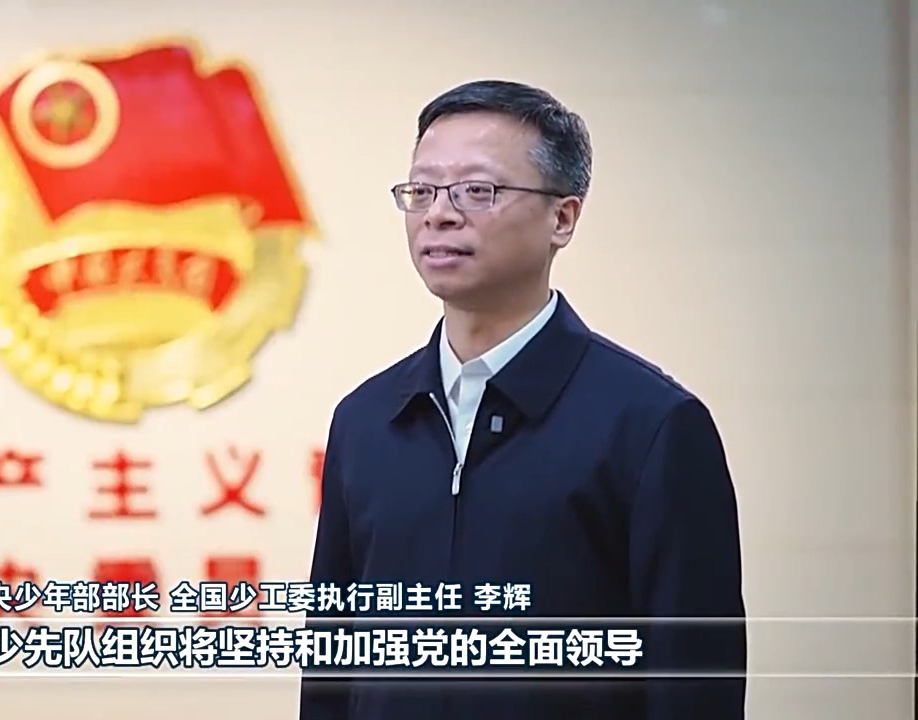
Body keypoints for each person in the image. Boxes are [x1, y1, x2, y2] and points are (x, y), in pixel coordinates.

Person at [300, 80, 746, 720]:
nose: (439, 214)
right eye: (422, 191)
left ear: (562, 218)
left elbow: (694, 686)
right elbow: (331, 667)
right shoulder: (366, 420)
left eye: (477, 190)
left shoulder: (651, 426)